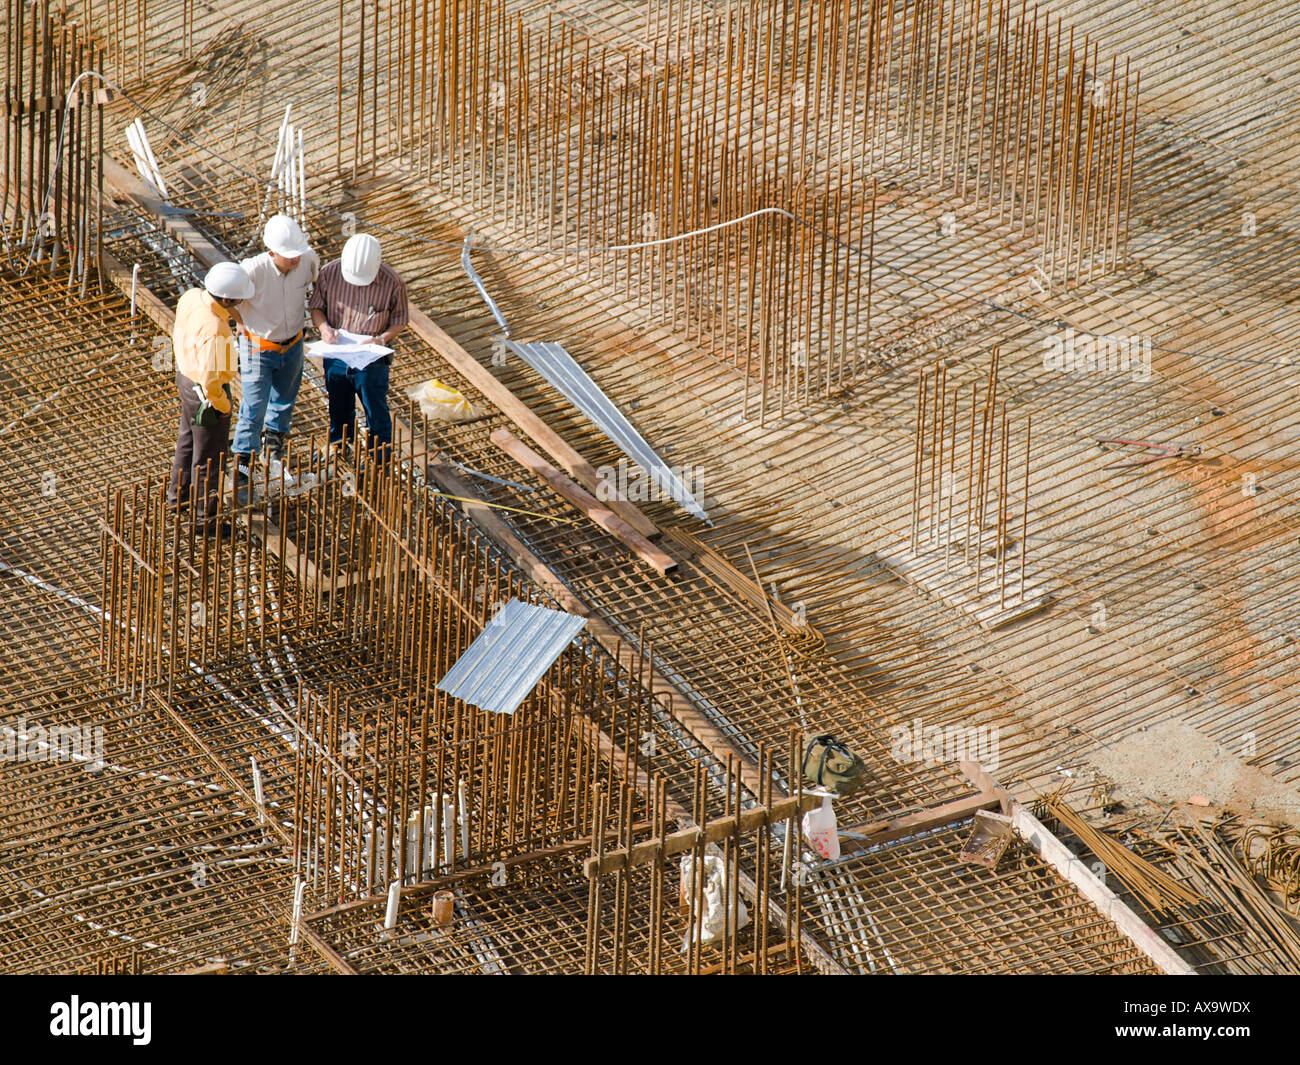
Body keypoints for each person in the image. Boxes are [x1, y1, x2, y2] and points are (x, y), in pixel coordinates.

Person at [231, 214, 318, 493]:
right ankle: (243, 462)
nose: (296, 260)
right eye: (290, 255)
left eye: (298, 254)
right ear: (271, 252)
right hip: (258, 349)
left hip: (292, 346)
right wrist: (240, 321)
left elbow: (317, 284)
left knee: (283, 401)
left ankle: (274, 446)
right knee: (254, 408)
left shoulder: (307, 260)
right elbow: (221, 294)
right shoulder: (251, 270)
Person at [307, 233, 408, 466]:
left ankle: (379, 459)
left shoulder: (393, 282)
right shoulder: (330, 274)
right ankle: (340, 446)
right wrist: (323, 328)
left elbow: (400, 319)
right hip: (337, 355)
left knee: (375, 411)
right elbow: (316, 308)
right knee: (338, 405)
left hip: (371, 358)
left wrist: (382, 339)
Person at [168, 262, 253, 535]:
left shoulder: (192, 296)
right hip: (206, 392)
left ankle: (177, 501)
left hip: (185, 377)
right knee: (209, 459)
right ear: (227, 299)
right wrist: (223, 406)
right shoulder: (216, 328)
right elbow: (210, 380)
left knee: (187, 442)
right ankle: (204, 521)